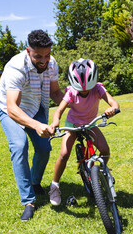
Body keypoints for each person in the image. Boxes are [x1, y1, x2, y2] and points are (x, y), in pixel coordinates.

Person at [0, 30, 64, 220]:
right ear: (28, 51)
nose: (44, 60)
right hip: (11, 110)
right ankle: (28, 201)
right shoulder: (16, 67)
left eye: (47, 55)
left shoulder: (51, 63)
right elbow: (12, 108)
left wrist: (76, 106)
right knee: (19, 145)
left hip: (35, 106)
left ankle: (34, 182)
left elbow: (56, 92)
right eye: (38, 56)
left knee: (44, 149)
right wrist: (35, 125)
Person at [48, 58, 120, 206]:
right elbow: (59, 110)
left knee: (105, 150)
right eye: (81, 89)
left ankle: (101, 172)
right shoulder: (72, 92)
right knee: (64, 154)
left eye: (88, 87)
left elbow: (113, 102)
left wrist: (112, 108)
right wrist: (56, 122)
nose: (85, 91)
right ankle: (54, 186)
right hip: (72, 124)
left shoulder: (98, 88)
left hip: (90, 123)